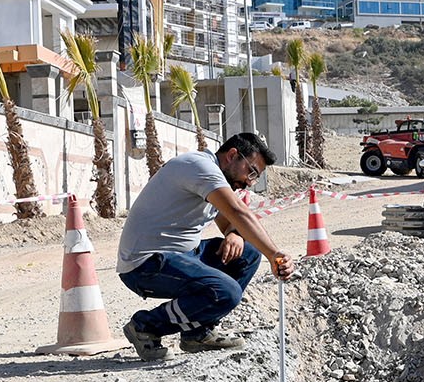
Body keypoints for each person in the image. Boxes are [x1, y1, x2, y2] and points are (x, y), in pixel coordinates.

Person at [116, 132, 296, 361]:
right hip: (145, 264)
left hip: (179, 255)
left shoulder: (212, 177)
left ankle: (197, 332)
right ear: (232, 155)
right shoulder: (199, 167)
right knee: (225, 291)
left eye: (255, 177)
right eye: (251, 172)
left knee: (247, 255)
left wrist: (234, 234)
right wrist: (274, 254)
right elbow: (238, 212)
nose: (249, 182)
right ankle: (146, 326)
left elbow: (226, 219)